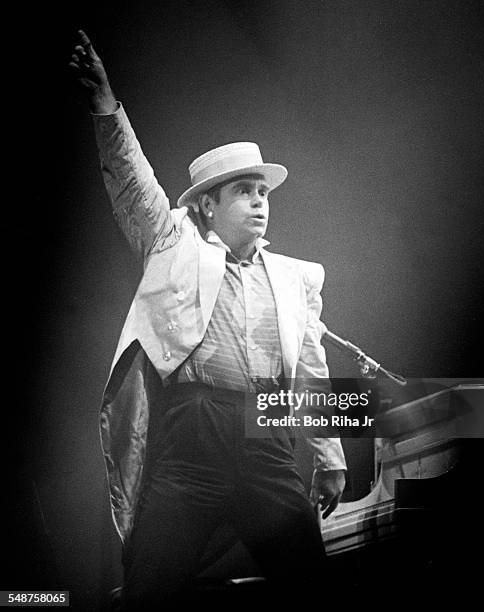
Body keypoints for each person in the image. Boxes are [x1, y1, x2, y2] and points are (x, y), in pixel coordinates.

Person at [69, 30, 347, 609]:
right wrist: (105, 105)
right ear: (207, 206)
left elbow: (312, 373)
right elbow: (132, 180)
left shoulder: (295, 278)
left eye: (262, 192)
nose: (259, 202)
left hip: (265, 431)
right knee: (149, 588)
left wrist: (329, 458)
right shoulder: (173, 243)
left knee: (311, 587)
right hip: (192, 437)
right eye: (243, 192)